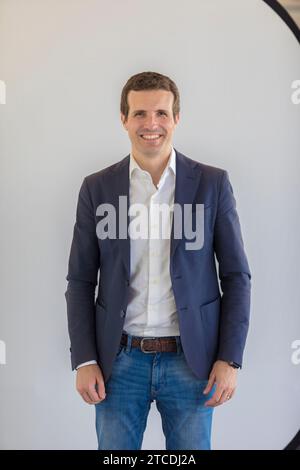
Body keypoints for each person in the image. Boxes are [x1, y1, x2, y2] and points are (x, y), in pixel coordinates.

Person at [65, 71, 251, 450]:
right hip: (118, 363)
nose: (151, 124)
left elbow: (235, 276)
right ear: (123, 119)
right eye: (140, 114)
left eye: (162, 114)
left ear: (176, 118)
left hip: (192, 361)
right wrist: (84, 359)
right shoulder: (97, 188)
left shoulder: (212, 184)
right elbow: (81, 280)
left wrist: (229, 360)